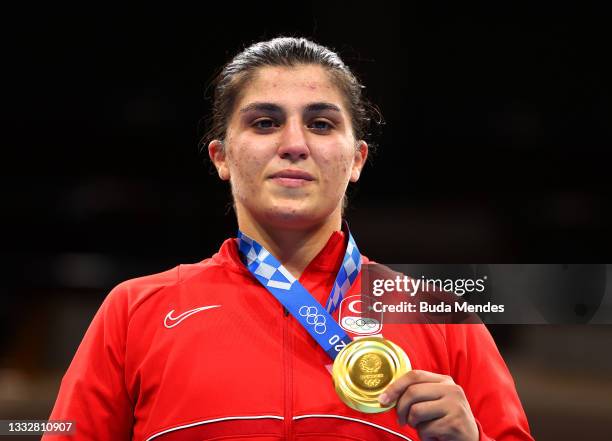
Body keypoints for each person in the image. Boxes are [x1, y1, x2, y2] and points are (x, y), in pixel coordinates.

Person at [44, 37, 533, 441]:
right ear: (221, 156)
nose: (294, 144)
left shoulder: (439, 318)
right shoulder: (135, 312)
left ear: (358, 158)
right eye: (265, 123)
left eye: (321, 124)